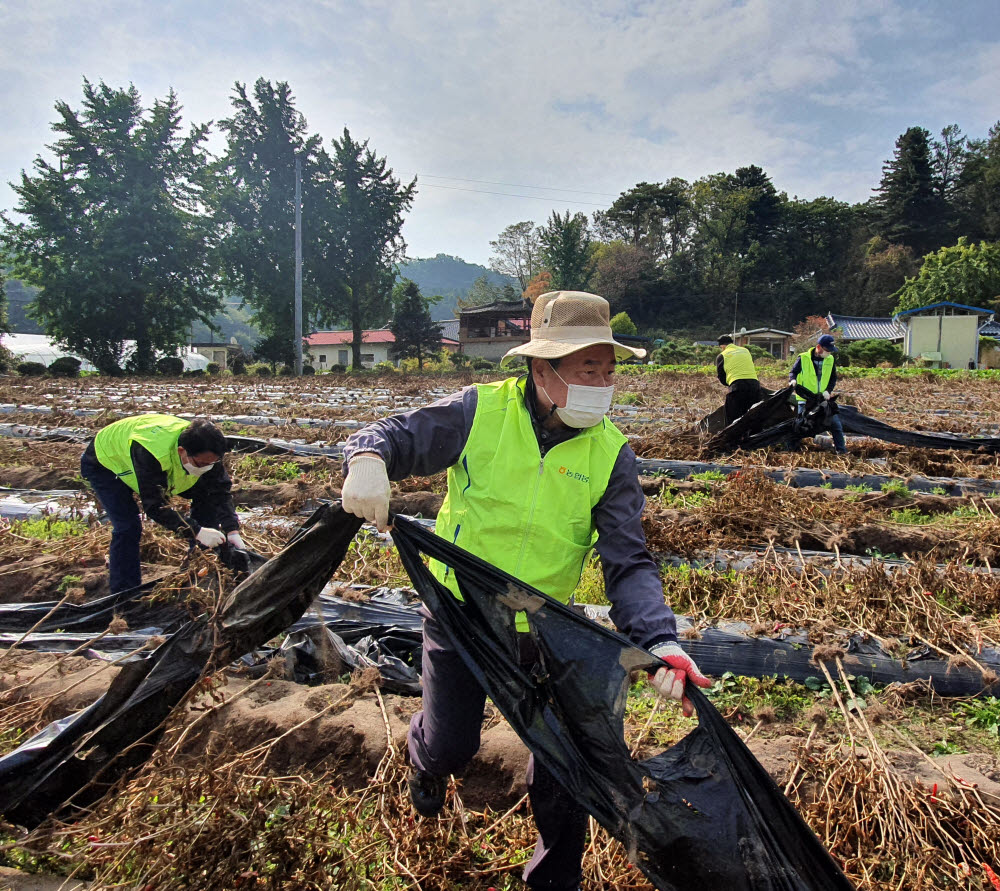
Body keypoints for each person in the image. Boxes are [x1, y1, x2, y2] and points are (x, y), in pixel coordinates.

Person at [340, 290, 710, 891]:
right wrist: (366, 458)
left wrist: (660, 639)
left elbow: (628, 560)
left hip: (543, 628)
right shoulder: (478, 413)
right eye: (588, 368)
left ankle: (553, 882)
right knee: (453, 746)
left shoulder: (610, 452)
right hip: (460, 615)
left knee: (567, 767)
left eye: (609, 369)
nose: (603, 381)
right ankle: (424, 756)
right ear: (542, 368)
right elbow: (394, 435)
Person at [81, 414, 249, 592]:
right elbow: (155, 506)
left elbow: (220, 491)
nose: (206, 468)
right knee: (127, 526)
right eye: (200, 464)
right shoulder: (151, 452)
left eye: (211, 463)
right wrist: (196, 530)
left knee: (207, 495)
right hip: (107, 463)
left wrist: (232, 530)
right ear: (181, 451)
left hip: (161, 467)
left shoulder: (207, 452)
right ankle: (124, 593)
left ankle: (201, 572)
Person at [787, 333, 847, 454]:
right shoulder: (803, 358)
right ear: (819, 347)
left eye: (830, 351)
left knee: (835, 424)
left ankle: (841, 451)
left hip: (822, 399)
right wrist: (792, 380)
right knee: (799, 424)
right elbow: (793, 372)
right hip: (805, 399)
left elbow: (833, 378)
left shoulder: (830, 359)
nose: (829, 353)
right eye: (827, 350)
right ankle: (792, 451)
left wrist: (828, 391)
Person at [715, 334, 761, 425]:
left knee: (732, 417)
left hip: (738, 386)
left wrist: (729, 384)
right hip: (755, 385)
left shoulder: (722, 355)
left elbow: (721, 376)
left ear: (723, 346)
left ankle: (733, 438)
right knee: (753, 415)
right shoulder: (745, 351)